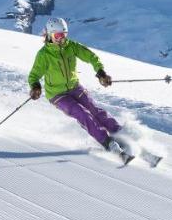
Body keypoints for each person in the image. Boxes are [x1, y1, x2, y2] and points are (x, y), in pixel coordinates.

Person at [28, 17, 127, 159]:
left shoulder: (71, 46)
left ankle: (120, 133)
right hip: (57, 95)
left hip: (74, 87)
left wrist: (101, 73)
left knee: (95, 110)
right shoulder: (44, 55)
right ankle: (107, 142)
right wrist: (35, 86)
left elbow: (91, 57)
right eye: (57, 36)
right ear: (50, 35)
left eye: (64, 35)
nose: (61, 39)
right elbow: (34, 75)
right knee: (83, 113)